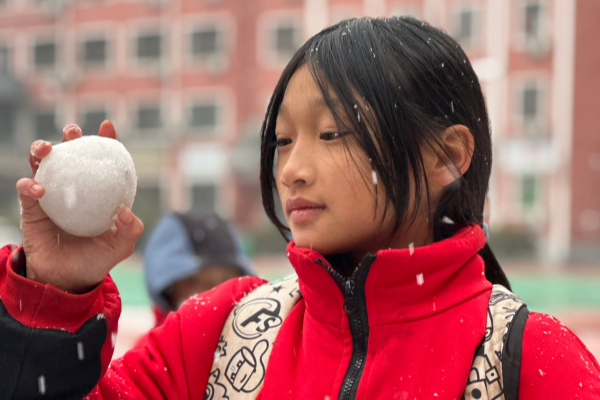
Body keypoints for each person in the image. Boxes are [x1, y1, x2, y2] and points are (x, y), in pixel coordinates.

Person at [1, 16, 598, 400]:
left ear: (447, 156)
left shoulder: (531, 360)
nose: (291, 170)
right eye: (283, 140)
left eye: (332, 133)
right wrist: (53, 293)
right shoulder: (218, 332)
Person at [139, 212, 254, 338]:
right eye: (195, 281)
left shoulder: (258, 342)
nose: (215, 291)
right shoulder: (150, 349)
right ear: (169, 291)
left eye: (226, 280)